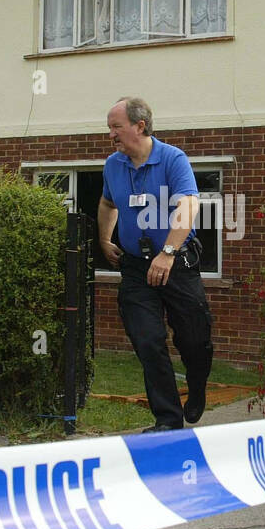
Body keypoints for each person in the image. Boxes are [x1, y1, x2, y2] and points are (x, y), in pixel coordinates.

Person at [98, 98, 214, 433]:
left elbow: (189, 206)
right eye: (109, 128)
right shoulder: (113, 165)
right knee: (147, 340)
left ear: (140, 126)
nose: (111, 135)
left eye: (116, 127)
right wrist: (105, 239)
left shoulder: (172, 159)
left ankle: (197, 384)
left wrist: (167, 252)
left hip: (177, 262)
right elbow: (107, 203)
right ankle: (168, 420)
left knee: (194, 339)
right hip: (135, 267)